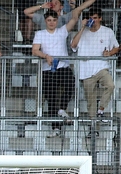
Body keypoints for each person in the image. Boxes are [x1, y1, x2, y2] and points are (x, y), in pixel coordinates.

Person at [32, 1, 97, 134]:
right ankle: (55, 127)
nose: (51, 22)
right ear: (45, 21)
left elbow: (74, 17)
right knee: (51, 98)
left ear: (57, 21)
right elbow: (35, 50)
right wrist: (46, 56)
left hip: (63, 66)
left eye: (54, 20)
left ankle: (62, 109)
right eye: (49, 20)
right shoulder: (40, 33)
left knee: (70, 85)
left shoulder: (62, 31)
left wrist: (80, 7)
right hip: (47, 68)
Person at [70, 7, 119, 121]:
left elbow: (117, 47)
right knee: (91, 102)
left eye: (95, 18)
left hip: (101, 67)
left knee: (110, 85)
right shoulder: (83, 32)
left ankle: (101, 109)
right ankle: (93, 130)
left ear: (100, 18)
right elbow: (73, 45)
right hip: (86, 71)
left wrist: (109, 53)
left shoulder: (107, 31)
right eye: (91, 18)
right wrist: (82, 27)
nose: (93, 20)